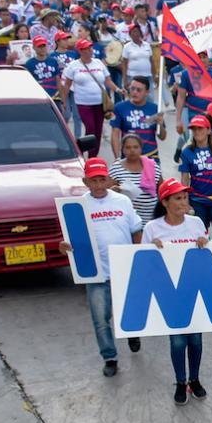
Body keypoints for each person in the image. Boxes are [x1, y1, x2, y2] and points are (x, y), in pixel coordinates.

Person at [59, 158, 143, 377]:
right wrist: (64, 246)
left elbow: (136, 230)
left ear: (108, 179)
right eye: (93, 181)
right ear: (85, 182)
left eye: (101, 179)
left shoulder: (122, 201)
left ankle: (132, 333)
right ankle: (110, 357)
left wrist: (140, 258)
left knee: (130, 311)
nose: (98, 185)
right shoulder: (77, 207)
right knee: (100, 319)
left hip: (124, 268)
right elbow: (70, 240)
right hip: (96, 273)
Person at [143, 178, 211, 405]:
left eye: (185, 197)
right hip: (169, 293)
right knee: (178, 342)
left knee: (196, 340)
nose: (183, 202)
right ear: (165, 202)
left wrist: (204, 242)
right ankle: (181, 382)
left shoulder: (196, 223)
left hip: (194, 291)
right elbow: (143, 263)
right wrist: (152, 249)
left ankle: (195, 379)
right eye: (178, 198)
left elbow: (209, 254)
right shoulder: (152, 228)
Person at [60, 39, 123, 157]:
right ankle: (80, 150)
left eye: (91, 48)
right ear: (80, 51)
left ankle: (93, 156)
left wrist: (118, 90)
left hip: (99, 103)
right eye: (87, 49)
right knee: (90, 128)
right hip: (83, 103)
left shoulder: (98, 63)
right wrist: (64, 101)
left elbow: (108, 81)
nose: (90, 50)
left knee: (98, 131)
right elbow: (67, 85)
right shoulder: (73, 66)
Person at [178, 116, 212, 240]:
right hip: (197, 201)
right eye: (194, 129)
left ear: (208, 130)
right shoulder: (186, 152)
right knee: (199, 238)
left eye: (200, 128)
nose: (197, 132)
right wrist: (185, 202)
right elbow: (184, 180)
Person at [108, 135, 160, 223]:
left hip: (150, 220)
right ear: (123, 149)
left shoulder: (153, 166)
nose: (132, 150)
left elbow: (162, 190)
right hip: (126, 219)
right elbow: (108, 193)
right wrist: (113, 191)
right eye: (128, 147)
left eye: (135, 147)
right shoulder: (115, 168)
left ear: (141, 148)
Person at [110, 76, 163, 159]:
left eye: (139, 90)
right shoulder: (120, 108)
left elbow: (162, 137)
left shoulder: (155, 109)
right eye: (132, 89)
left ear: (147, 92)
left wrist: (161, 125)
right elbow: (115, 134)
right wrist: (117, 158)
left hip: (151, 155)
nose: (135, 92)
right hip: (128, 157)